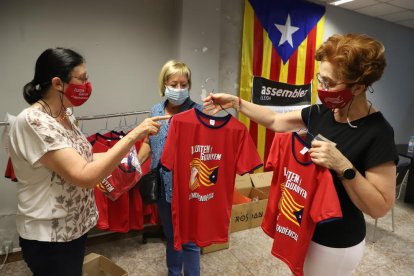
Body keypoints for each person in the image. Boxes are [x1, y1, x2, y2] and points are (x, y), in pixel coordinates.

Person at [203, 34, 398, 275]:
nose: (321, 88)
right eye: (320, 79)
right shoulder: (321, 112)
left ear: (357, 87)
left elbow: (379, 207)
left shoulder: (378, 132)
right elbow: (275, 120)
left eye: (329, 83)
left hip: (336, 240)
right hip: (303, 227)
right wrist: (237, 103)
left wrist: (343, 166)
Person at [8, 48, 168, 276]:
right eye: (82, 79)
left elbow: (86, 157)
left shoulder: (65, 114)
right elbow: (85, 175)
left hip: (74, 228)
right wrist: (133, 135)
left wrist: (138, 154)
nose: (87, 85)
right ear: (57, 83)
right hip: (50, 237)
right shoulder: (33, 122)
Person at [138, 60, 202, 276]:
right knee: (171, 235)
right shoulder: (156, 110)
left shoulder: (197, 112)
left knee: (190, 239)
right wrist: (135, 165)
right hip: (163, 186)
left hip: (189, 186)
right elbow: (149, 142)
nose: (179, 89)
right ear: (164, 83)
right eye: (174, 84)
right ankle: (174, 273)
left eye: (184, 84)